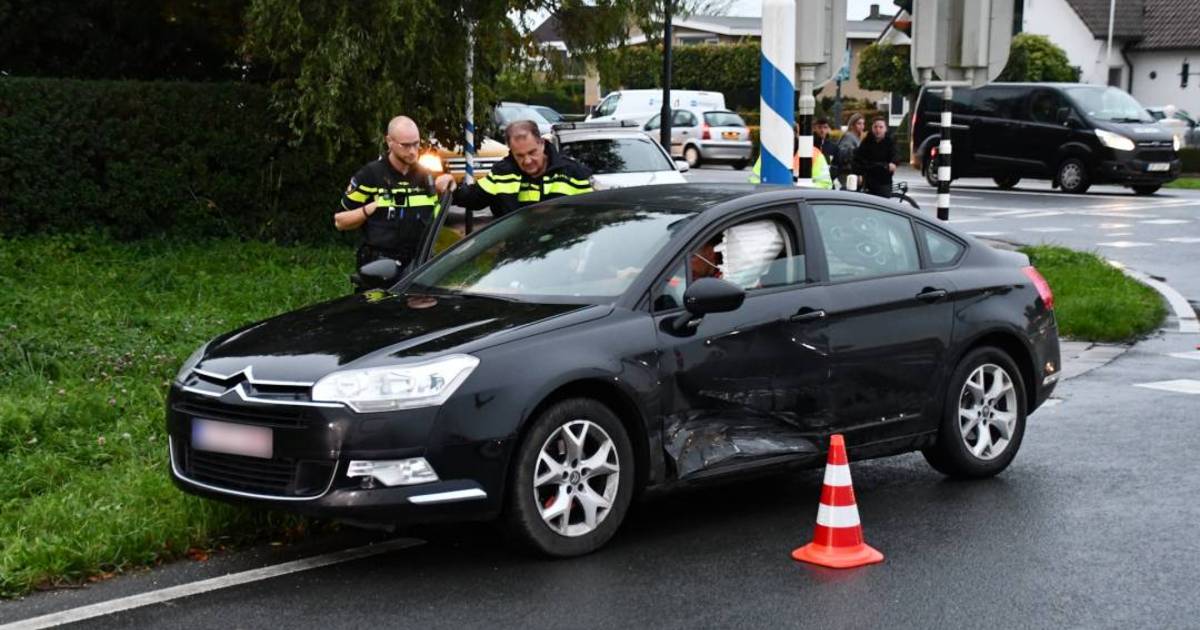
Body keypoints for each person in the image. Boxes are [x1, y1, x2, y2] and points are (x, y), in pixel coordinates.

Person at [334, 116, 442, 271]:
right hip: (379, 269)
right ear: (389, 142)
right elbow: (340, 221)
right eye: (405, 145)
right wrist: (369, 209)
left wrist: (447, 180)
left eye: (416, 144)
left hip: (420, 267)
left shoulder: (427, 177)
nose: (412, 151)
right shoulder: (370, 175)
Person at [435, 120, 593, 217]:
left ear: (542, 144)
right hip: (515, 259)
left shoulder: (572, 173)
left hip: (559, 258)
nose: (527, 161)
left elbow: (591, 216)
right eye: (520, 155)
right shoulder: (502, 173)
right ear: (511, 151)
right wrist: (452, 187)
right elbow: (473, 198)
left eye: (532, 153)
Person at [854, 117, 900, 198]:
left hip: (884, 180)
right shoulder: (867, 140)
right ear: (872, 128)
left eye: (881, 127)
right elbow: (858, 157)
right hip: (869, 179)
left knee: (884, 204)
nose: (878, 130)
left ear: (885, 129)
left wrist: (893, 163)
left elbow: (896, 154)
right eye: (875, 127)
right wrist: (859, 173)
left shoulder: (890, 141)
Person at [836, 113, 866, 189]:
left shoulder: (857, 138)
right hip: (848, 175)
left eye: (863, 123)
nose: (862, 126)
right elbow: (845, 156)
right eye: (859, 123)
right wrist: (857, 174)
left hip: (852, 175)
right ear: (852, 125)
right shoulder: (849, 137)